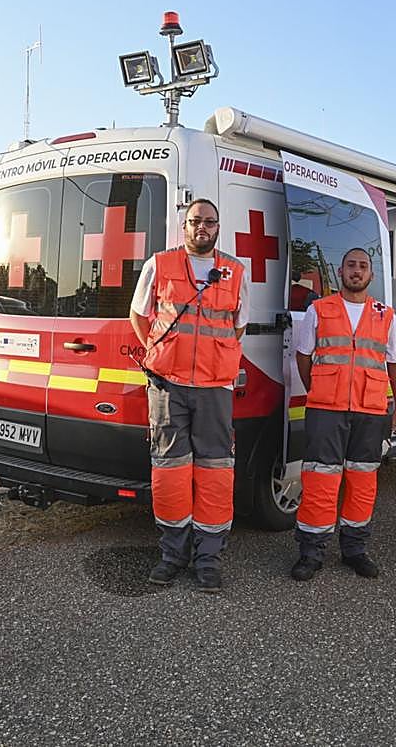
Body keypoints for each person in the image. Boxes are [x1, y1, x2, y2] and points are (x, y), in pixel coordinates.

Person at [129, 199, 248, 594]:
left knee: (216, 474)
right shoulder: (158, 265)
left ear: (218, 227)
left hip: (215, 388)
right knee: (169, 472)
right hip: (167, 385)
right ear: (184, 226)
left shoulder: (235, 271)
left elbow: (236, 327)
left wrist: (215, 362)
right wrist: (157, 352)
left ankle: (209, 560)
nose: (202, 228)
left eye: (209, 222)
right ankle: (172, 556)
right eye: (195, 221)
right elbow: (139, 314)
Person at [290, 248, 396, 582]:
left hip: (370, 412)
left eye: (363, 266)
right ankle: (311, 553)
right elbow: (303, 357)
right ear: (340, 271)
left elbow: (395, 364)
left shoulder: (387, 315)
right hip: (326, 410)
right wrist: (321, 389)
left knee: (363, 480)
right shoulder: (319, 309)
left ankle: (355, 550)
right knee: (319, 481)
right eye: (351, 265)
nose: (357, 271)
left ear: (371, 274)